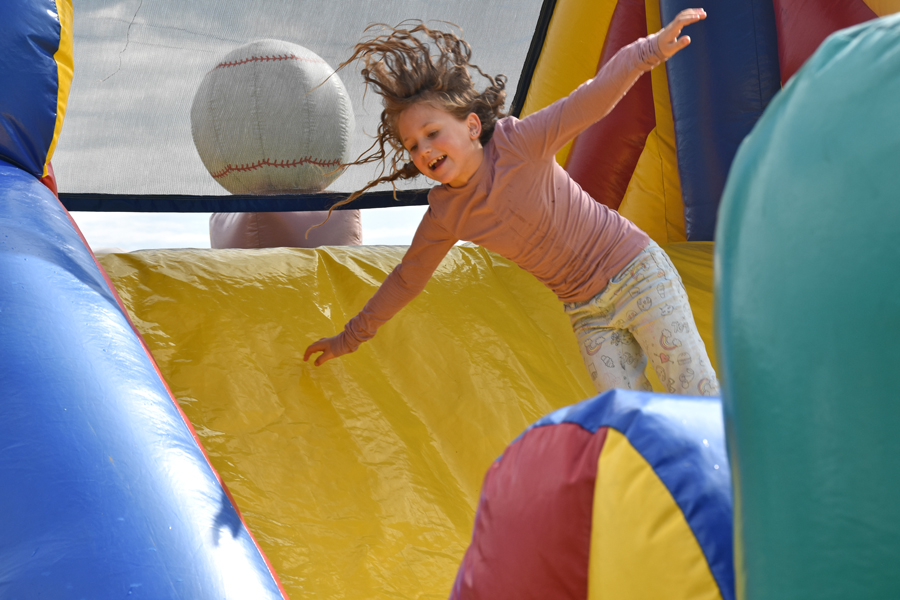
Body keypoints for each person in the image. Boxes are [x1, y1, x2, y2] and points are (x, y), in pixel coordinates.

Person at [304, 9, 720, 396]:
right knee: (626, 415)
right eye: (412, 145)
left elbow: (591, 99)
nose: (423, 149)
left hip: (636, 273)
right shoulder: (446, 213)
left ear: (471, 126)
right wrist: (349, 337)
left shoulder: (518, 144)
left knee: (693, 389)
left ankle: (736, 451)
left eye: (432, 133)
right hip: (588, 313)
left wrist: (649, 51)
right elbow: (406, 280)